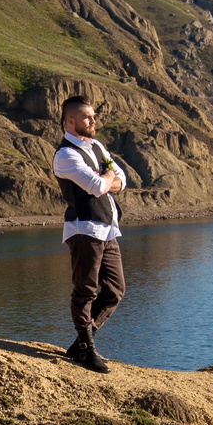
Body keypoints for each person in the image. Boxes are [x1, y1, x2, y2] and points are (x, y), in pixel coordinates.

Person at [52, 94, 126, 372]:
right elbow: (97, 186)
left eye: (93, 116)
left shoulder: (96, 147)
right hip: (84, 229)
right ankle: (85, 349)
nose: (93, 120)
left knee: (116, 290)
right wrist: (107, 178)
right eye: (87, 117)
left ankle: (82, 343)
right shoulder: (66, 155)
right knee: (85, 291)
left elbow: (123, 179)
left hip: (107, 229)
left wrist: (107, 180)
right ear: (70, 121)